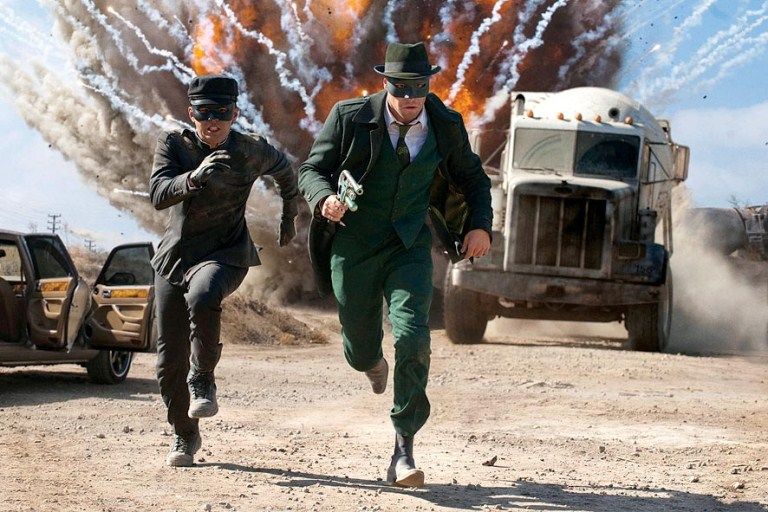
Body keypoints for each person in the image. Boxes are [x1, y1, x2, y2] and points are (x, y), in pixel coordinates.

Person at [298, 42, 492, 487]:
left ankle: (404, 448)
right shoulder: (349, 117)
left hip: (409, 246)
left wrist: (480, 226)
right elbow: (311, 169)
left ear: (428, 86)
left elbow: (473, 179)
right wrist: (323, 199)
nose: (409, 97)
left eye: (418, 88)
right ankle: (370, 362)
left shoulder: (445, 124)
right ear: (385, 84)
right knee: (359, 344)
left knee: (413, 337)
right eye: (401, 88)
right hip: (354, 245)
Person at [149, 75, 299, 467]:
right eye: (204, 113)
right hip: (175, 258)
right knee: (168, 363)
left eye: (221, 113)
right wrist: (194, 177)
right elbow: (158, 194)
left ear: (234, 114)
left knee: (203, 294)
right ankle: (185, 434)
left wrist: (289, 215)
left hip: (226, 254)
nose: (212, 122)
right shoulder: (174, 145)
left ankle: (203, 377)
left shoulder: (250, 150)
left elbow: (286, 171)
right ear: (191, 113)